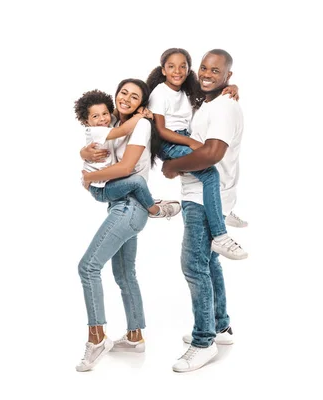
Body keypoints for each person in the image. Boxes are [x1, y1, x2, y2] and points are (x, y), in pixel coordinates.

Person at [75, 79, 181, 372]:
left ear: (141, 104)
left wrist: (86, 178)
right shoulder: (110, 126)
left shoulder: (140, 125)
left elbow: (123, 169)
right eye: (123, 92)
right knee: (124, 274)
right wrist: (83, 156)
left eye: (135, 97)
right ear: (115, 96)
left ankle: (96, 339)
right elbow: (95, 153)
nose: (127, 98)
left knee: (87, 268)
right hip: (119, 204)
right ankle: (135, 337)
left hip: (131, 205)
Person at [161, 49, 244, 373]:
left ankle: (203, 341)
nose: (208, 74)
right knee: (209, 262)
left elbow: (211, 154)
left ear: (228, 76)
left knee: (193, 265)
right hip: (211, 196)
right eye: (204, 68)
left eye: (216, 70)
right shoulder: (213, 102)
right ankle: (220, 326)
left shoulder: (223, 106)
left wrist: (172, 166)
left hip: (203, 198)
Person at [147, 48, 247, 260]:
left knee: (211, 172)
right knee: (211, 173)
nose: (178, 71)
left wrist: (231, 87)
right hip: (169, 142)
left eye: (183, 66)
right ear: (163, 69)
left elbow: (212, 92)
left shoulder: (187, 91)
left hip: (183, 139)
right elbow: (162, 130)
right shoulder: (159, 92)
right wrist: (189, 144)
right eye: (172, 66)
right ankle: (220, 231)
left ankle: (222, 217)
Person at [74, 89, 179, 218]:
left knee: (134, 183)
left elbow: (119, 110)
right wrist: (139, 116)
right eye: (95, 116)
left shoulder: (107, 122)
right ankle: (155, 210)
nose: (102, 119)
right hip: (100, 188)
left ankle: (142, 200)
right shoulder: (96, 131)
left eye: (105, 113)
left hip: (105, 182)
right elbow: (123, 130)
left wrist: (143, 108)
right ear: (86, 122)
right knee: (137, 182)